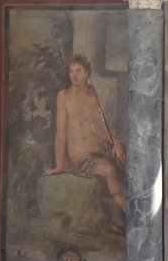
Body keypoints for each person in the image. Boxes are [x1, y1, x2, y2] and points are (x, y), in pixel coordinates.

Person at [45, 55, 127, 225]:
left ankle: (117, 217)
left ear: (87, 73)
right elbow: (60, 133)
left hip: (98, 148)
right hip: (81, 157)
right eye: (71, 71)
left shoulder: (91, 94)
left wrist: (116, 143)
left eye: (78, 70)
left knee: (126, 156)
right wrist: (60, 165)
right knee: (109, 168)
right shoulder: (64, 96)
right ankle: (130, 213)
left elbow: (100, 126)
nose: (74, 75)